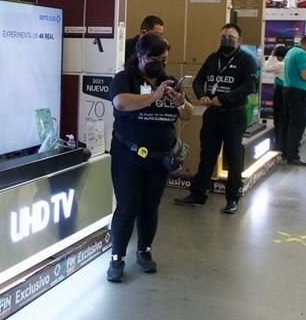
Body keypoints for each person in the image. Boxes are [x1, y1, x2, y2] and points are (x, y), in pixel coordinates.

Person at [107, 33, 192, 282]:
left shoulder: (170, 81)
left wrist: (180, 101)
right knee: (127, 207)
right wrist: (153, 97)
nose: (160, 65)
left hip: (159, 159)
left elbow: (187, 114)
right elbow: (120, 103)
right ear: (141, 56)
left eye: (164, 60)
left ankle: (144, 251)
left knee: (150, 207)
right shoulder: (125, 79)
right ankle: (117, 257)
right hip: (128, 156)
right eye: (155, 59)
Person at [173, 24, 258, 214]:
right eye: (223, 37)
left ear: (239, 41)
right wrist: (201, 95)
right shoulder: (213, 58)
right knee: (207, 155)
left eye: (231, 37)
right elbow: (198, 80)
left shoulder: (247, 60)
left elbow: (249, 87)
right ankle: (198, 194)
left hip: (234, 114)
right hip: (212, 114)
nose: (226, 40)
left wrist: (224, 99)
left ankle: (232, 199)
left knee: (234, 157)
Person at [279, 34, 306, 166]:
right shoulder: (302, 54)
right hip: (297, 93)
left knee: (287, 123)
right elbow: (305, 76)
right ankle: (293, 156)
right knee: (297, 124)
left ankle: (285, 153)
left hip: (287, 91)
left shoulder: (291, 51)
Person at [263, 45, 288, 150]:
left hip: (279, 91)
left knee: (278, 118)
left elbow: (266, 68)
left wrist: (271, 56)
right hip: (287, 91)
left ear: (280, 56)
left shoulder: (280, 64)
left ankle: (278, 143)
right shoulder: (288, 63)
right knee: (285, 117)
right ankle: (284, 143)